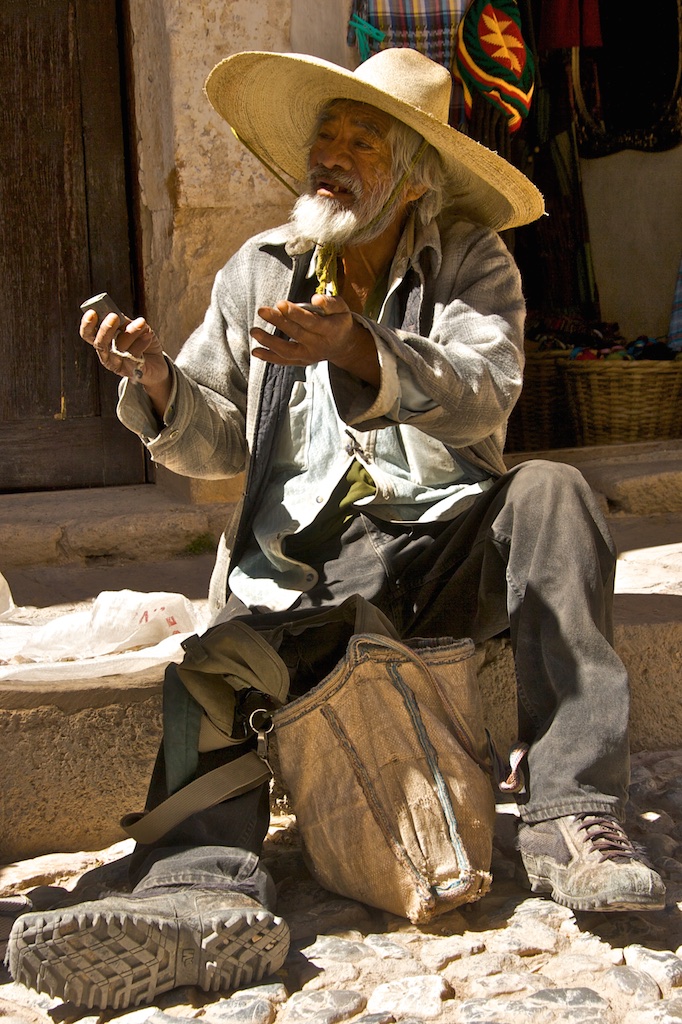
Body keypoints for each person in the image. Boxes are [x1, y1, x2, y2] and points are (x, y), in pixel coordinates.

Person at [7, 46, 665, 1011]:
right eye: (327, 137)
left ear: (415, 178)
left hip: (443, 550)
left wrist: (359, 344)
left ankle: (573, 814)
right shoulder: (259, 269)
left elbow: (487, 397)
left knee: (553, 492)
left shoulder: (472, 263)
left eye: (363, 140)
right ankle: (197, 893)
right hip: (310, 577)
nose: (334, 156)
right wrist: (152, 382)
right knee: (216, 667)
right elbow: (215, 438)